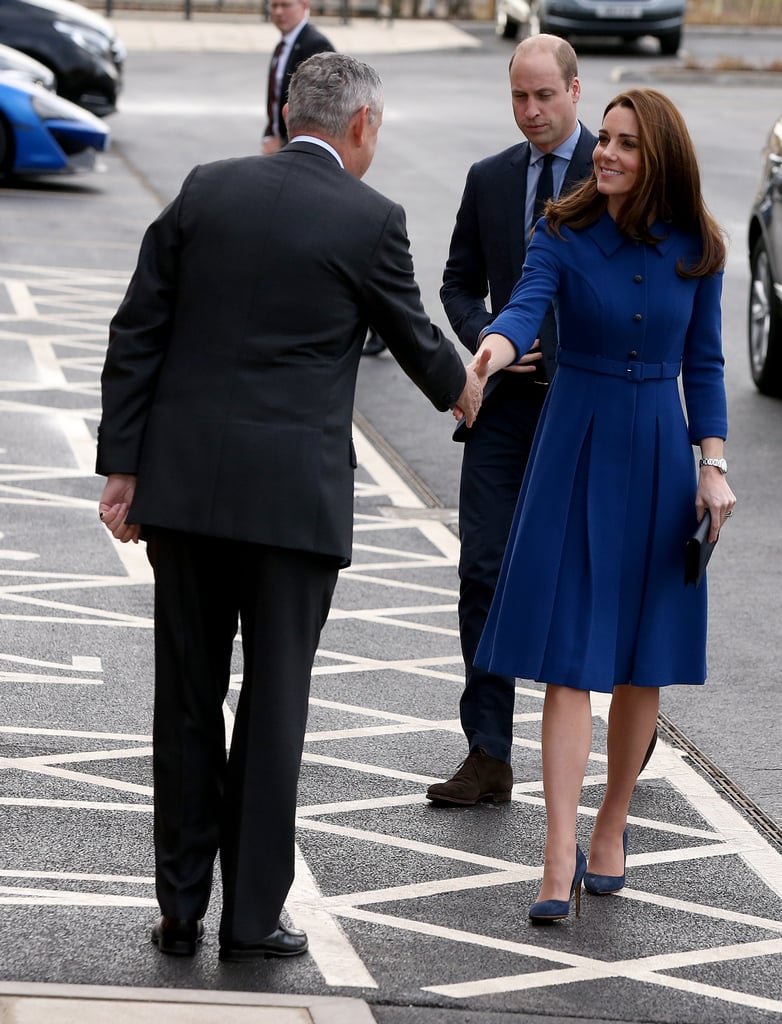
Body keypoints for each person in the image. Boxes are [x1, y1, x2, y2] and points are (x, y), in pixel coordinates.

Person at [96, 52, 485, 963]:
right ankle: (251, 919)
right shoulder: (369, 218)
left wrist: (124, 467)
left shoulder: (207, 189)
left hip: (186, 497)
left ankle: (180, 909)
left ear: (290, 112)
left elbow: (137, 326)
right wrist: (464, 390)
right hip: (290, 513)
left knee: (186, 702)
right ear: (359, 128)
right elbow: (413, 334)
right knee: (273, 710)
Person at [465, 87, 736, 922]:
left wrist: (713, 464)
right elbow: (523, 306)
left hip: (659, 447)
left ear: (659, 158)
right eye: (605, 140)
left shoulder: (700, 247)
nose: (605, 154)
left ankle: (612, 823)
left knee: (638, 661)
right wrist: (489, 353)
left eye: (623, 144)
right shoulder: (562, 228)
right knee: (569, 660)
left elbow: (708, 364)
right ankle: (555, 854)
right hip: (574, 440)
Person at [428, 35, 598, 806]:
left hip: (589, 409)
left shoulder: (617, 169)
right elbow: (457, 283)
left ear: (574, 90)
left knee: (590, 577)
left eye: (544, 96)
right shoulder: (490, 178)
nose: (531, 112)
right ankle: (488, 752)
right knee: (483, 570)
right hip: (504, 410)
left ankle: (623, 716)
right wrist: (488, 336)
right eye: (519, 97)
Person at [262, 0, 333, 155]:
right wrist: (269, 135)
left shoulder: (315, 45)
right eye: (274, 6)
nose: (279, 12)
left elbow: (323, 109)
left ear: (304, 6)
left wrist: (284, 145)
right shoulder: (283, 46)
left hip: (298, 151)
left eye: (285, 5)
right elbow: (275, 99)